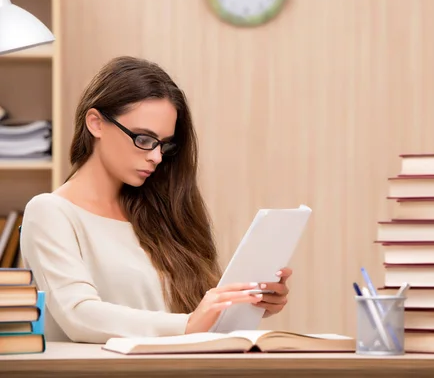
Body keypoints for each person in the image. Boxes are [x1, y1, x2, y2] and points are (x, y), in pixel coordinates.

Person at [19, 56, 292, 344]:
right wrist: (188, 324)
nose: (156, 156)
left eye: (164, 144)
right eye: (144, 139)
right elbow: (79, 315)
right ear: (96, 123)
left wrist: (248, 302)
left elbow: (196, 314)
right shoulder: (50, 212)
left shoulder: (159, 211)